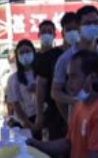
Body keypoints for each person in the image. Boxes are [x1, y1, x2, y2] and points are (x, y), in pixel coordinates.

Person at [51, 5, 98, 112]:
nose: (92, 26)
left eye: (95, 22)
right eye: (87, 23)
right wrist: (75, 102)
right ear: (78, 26)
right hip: (77, 115)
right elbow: (55, 92)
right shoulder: (65, 58)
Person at [33, 12, 79, 142]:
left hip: (81, 109)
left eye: (75, 29)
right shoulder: (50, 56)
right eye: (69, 29)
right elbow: (41, 86)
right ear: (62, 32)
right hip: (55, 113)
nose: (72, 32)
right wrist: (39, 114)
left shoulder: (85, 55)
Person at [5, 39, 38, 131]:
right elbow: (16, 105)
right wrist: (28, 124)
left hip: (44, 118)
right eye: (21, 53)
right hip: (25, 122)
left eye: (27, 51)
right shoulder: (13, 79)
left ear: (34, 52)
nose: (25, 55)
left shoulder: (42, 74)